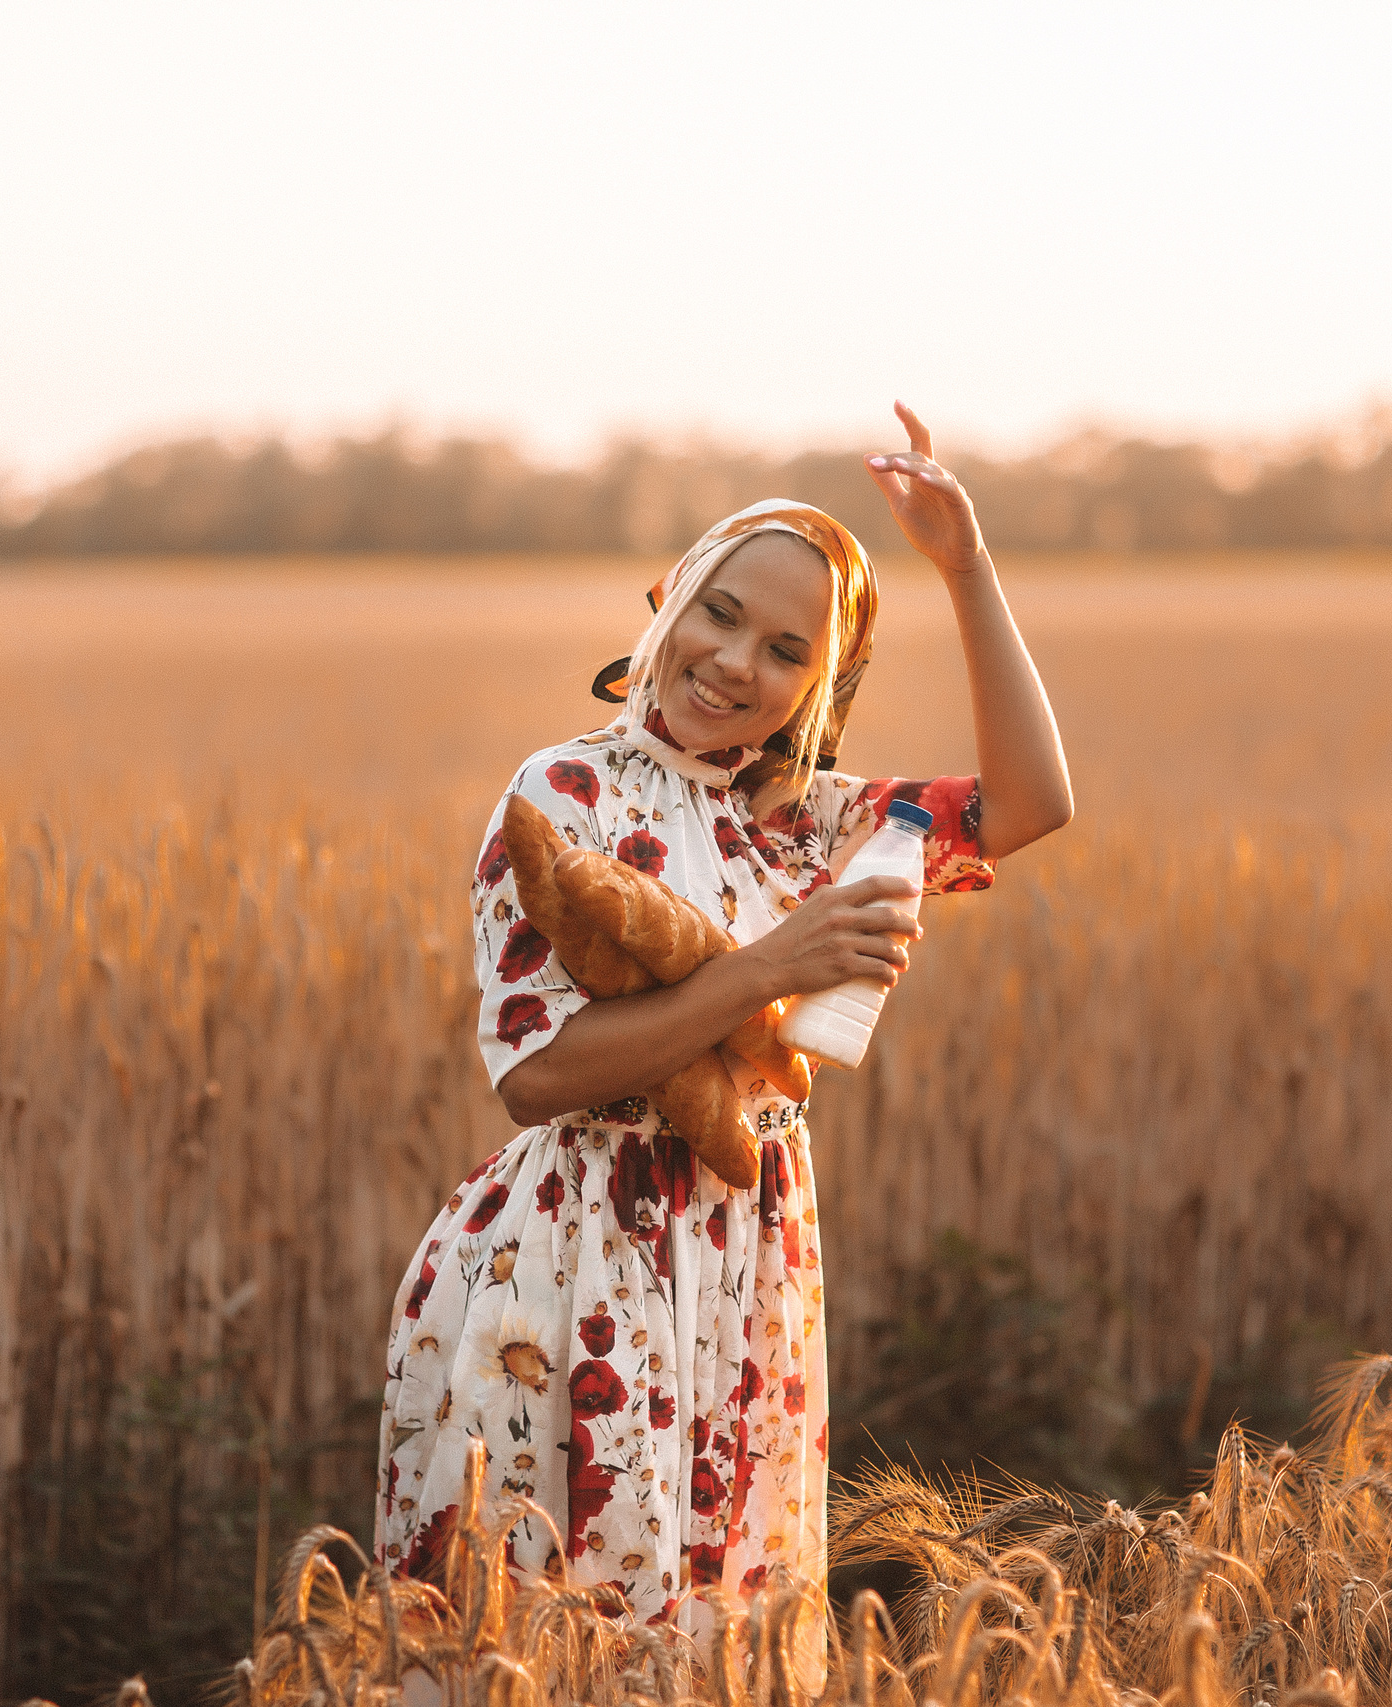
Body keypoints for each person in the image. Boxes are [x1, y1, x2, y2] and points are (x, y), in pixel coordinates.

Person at [374, 403, 1073, 1624]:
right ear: (668, 606)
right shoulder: (564, 790)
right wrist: (766, 967)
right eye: (721, 613)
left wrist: (966, 568)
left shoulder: (813, 822)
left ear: (818, 689)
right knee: (554, 1639)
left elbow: (1030, 801)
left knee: (721, 1638)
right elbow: (535, 1076)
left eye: (788, 651)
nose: (737, 661)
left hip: (749, 1263)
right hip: (576, 1257)